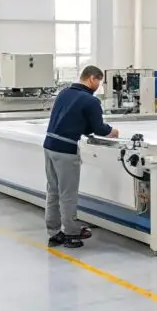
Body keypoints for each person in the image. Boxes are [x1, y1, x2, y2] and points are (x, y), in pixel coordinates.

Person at [43, 65, 119, 249]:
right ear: (92, 79)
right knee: (68, 194)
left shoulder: (64, 93)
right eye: (98, 82)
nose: (98, 86)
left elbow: (79, 122)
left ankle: (54, 233)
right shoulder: (90, 101)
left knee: (53, 191)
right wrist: (112, 131)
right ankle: (71, 233)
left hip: (49, 145)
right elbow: (99, 128)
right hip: (66, 149)